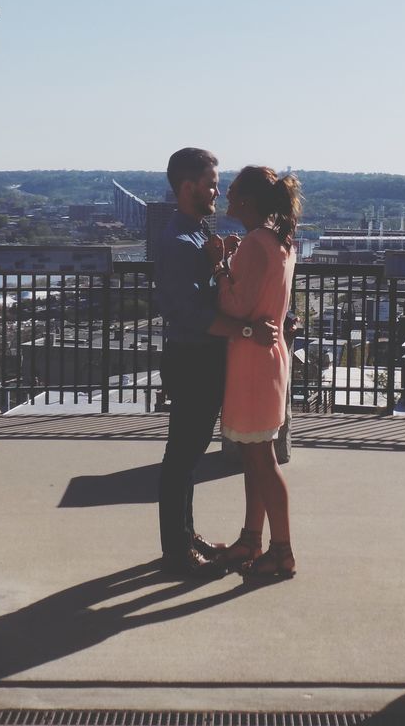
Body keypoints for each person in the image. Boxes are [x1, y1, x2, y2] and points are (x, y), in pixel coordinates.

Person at [153, 148, 280, 577]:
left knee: (188, 454)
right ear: (187, 188)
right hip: (191, 359)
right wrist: (247, 332)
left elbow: (212, 298)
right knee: (181, 458)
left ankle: (185, 536)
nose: (216, 191)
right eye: (210, 183)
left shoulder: (193, 236)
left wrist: (221, 263)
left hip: (200, 358)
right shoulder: (177, 243)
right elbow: (191, 314)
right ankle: (176, 549)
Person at [211, 166, 302, 582]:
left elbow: (234, 305)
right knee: (255, 454)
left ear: (247, 202)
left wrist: (219, 266)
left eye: (231, 195)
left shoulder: (254, 244)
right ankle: (252, 538)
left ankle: (281, 549)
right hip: (272, 356)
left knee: (261, 459)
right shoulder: (282, 243)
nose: (226, 201)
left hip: (251, 359)